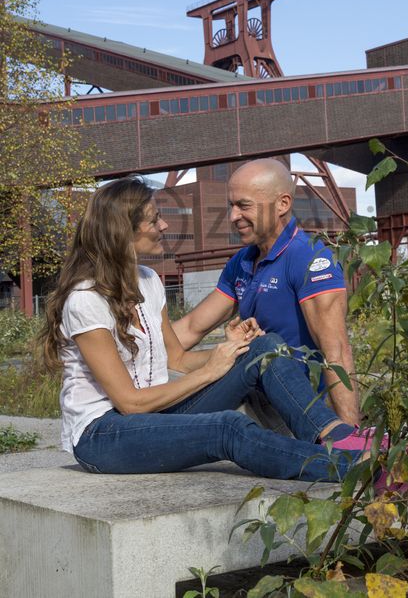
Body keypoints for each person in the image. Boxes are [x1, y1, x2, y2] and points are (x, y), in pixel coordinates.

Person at [41, 176, 380, 482]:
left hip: (154, 415)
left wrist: (228, 351)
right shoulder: (85, 301)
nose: (163, 224)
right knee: (227, 427)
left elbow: (175, 358)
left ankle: (337, 437)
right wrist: (210, 373)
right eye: (153, 218)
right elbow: (129, 403)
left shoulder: (148, 282)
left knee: (264, 349)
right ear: (123, 231)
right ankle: (361, 470)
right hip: (104, 434)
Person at [173, 159, 360, 426]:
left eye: (244, 205)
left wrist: (349, 436)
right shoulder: (242, 262)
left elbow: (337, 352)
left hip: (294, 410)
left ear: (282, 204)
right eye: (232, 206)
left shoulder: (309, 259)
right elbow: (191, 327)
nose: (233, 217)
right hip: (254, 392)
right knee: (162, 382)